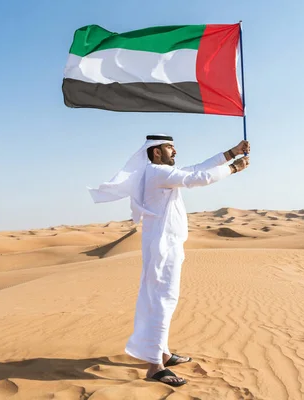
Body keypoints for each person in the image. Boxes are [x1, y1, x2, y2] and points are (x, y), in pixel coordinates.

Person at [88, 134, 250, 386]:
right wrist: (233, 168)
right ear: (155, 152)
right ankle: (155, 366)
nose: (174, 151)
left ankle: (161, 352)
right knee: (163, 299)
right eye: (169, 147)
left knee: (163, 298)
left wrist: (230, 153)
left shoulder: (159, 172)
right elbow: (197, 178)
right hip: (162, 246)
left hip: (167, 244)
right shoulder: (156, 173)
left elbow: (195, 169)